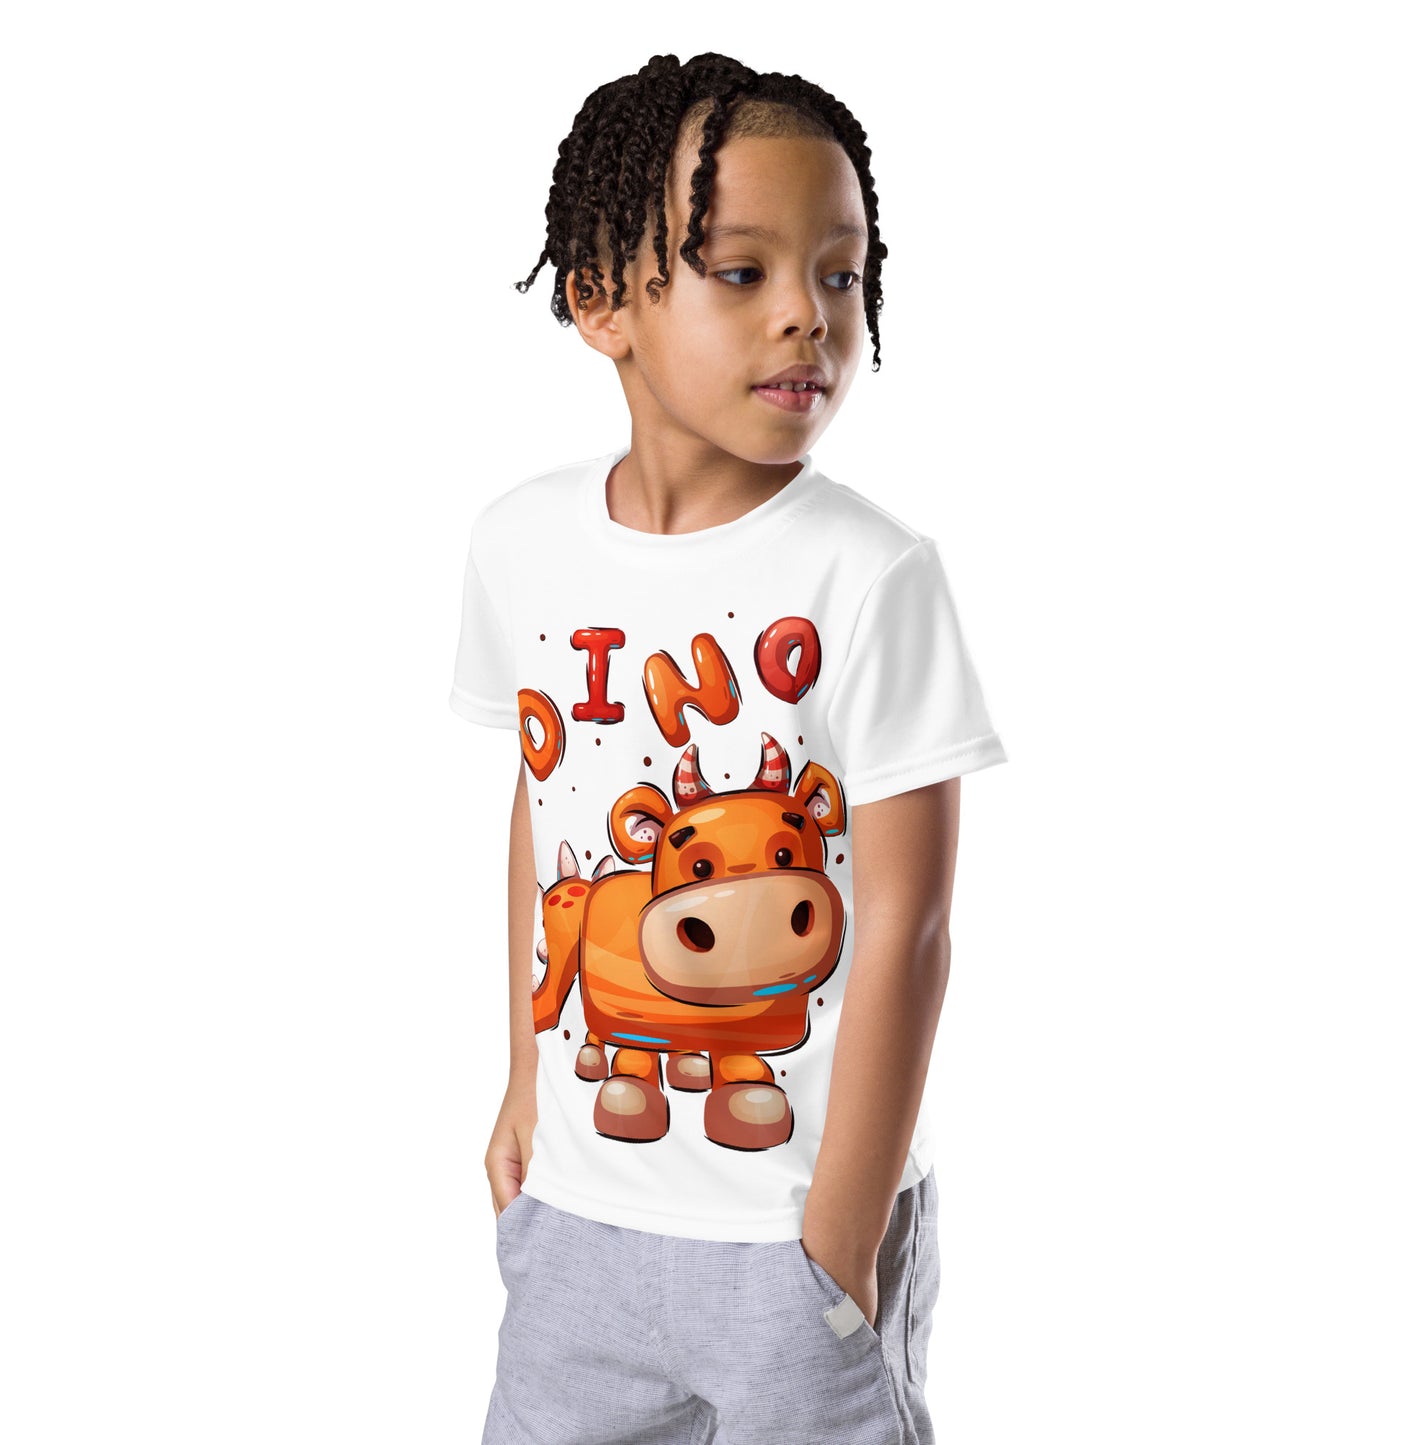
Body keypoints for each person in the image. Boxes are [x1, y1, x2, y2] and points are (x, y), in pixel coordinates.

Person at [449, 51, 1007, 1445]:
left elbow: (910, 924)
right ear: (600, 299)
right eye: (743, 272)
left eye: (841, 273)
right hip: (576, 1216)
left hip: (792, 1243)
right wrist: (524, 1082)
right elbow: (545, 809)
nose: (809, 316)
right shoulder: (521, 543)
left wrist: (841, 1235)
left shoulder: (870, 575)